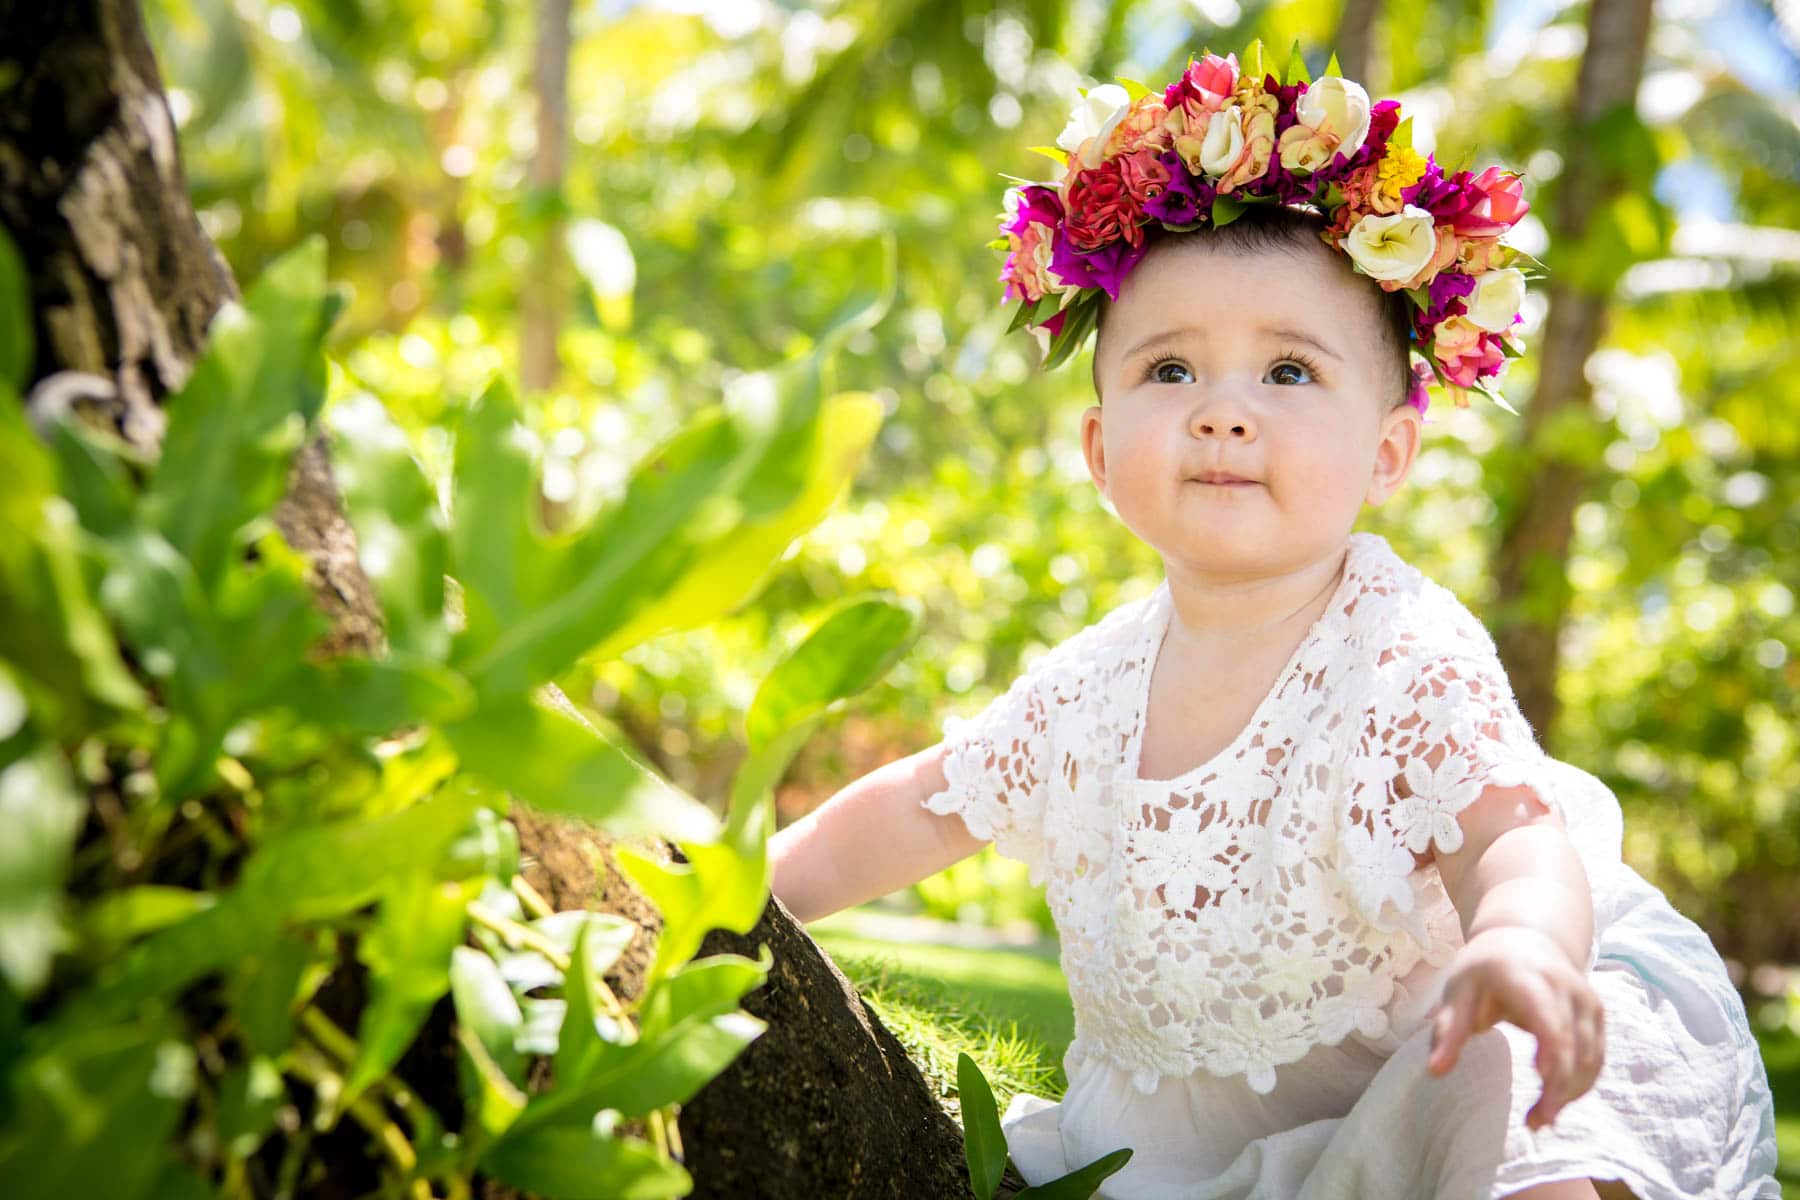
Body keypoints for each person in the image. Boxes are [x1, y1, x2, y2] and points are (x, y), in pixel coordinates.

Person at [768, 45, 1780, 1200]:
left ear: (1388, 450)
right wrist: (749, 881)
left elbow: (1515, 837)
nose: (1225, 415)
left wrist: (1523, 945)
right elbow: (912, 809)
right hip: (1205, 1153)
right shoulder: (1086, 694)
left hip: (1439, 1067)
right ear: (1101, 454)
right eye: (1171, 371)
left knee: (1520, 1084)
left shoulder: (1400, 653)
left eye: (1289, 373)